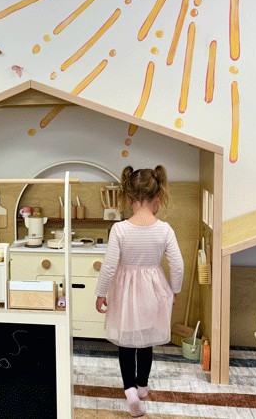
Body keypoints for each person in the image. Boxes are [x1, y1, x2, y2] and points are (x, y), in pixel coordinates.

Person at [95, 165, 184, 417]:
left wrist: (101, 293)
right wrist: (174, 290)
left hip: (125, 291)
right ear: (158, 199)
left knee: (126, 342)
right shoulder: (165, 230)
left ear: (128, 197)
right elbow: (177, 264)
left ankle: (130, 390)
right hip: (153, 290)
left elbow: (110, 266)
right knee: (146, 341)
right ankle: (143, 386)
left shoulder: (120, 229)